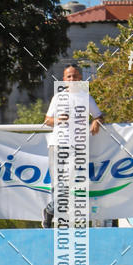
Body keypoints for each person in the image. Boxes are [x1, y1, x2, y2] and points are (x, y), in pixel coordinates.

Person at [42, 64, 104, 228]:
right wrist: (58, 120)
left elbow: (99, 115)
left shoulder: (86, 98)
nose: (72, 79)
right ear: (64, 80)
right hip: (57, 145)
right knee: (57, 185)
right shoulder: (58, 98)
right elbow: (47, 120)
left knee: (68, 184)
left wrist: (96, 122)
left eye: (75, 76)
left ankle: (49, 210)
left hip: (77, 147)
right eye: (68, 76)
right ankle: (52, 216)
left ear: (80, 78)